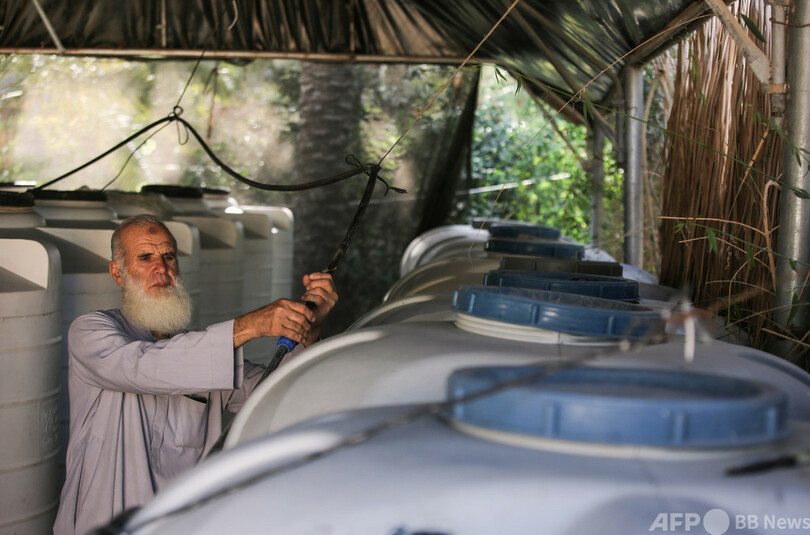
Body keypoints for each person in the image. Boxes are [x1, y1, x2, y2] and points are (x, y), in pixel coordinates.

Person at [53, 214, 337, 535]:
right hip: (103, 524)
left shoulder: (203, 352)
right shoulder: (93, 331)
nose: (161, 268)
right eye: (145, 258)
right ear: (118, 273)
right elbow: (141, 366)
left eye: (168, 256)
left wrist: (310, 328)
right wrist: (249, 326)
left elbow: (278, 395)